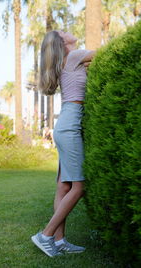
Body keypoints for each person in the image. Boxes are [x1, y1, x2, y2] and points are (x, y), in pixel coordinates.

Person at [31, 30, 95, 257]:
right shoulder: (76, 55)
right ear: (62, 42)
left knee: (63, 186)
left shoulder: (68, 61)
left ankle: (60, 243)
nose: (67, 30)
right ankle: (46, 235)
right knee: (79, 186)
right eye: (62, 32)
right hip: (68, 127)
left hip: (65, 124)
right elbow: (104, 54)